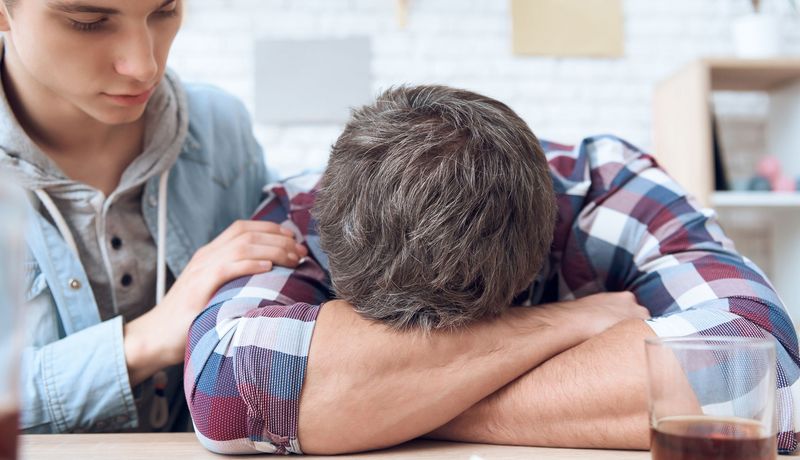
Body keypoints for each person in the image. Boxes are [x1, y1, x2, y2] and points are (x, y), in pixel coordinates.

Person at [185, 85, 800, 455]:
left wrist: (367, 402)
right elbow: (226, 386)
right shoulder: (304, 215)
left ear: (538, 252)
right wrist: (561, 325)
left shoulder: (615, 192)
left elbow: (763, 374)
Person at [0, 0, 306, 433]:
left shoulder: (220, 129)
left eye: (165, 11)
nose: (144, 66)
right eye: (88, 22)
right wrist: (141, 344)